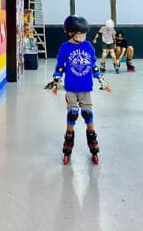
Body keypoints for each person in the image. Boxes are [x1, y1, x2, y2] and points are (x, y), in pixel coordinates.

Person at [47, 14, 111, 165]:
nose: (83, 36)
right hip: (71, 87)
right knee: (73, 113)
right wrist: (56, 82)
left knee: (87, 113)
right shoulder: (65, 47)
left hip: (85, 87)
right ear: (70, 33)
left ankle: (92, 139)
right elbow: (60, 66)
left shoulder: (88, 46)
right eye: (79, 33)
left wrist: (101, 79)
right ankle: (69, 139)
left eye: (84, 33)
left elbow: (93, 64)